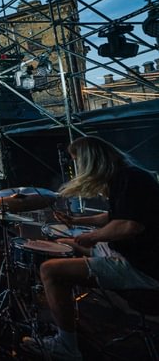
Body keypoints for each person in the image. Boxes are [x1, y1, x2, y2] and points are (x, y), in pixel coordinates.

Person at [21, 136, 159, 360]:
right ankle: (68, 312)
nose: (76, 167)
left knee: (49, 270)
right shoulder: (126, 176)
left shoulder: (131, 179)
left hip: (141, 267)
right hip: (128, 254)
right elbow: (113, 216)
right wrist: (76, 221)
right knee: (64, 243)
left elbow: (128, 225)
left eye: (77, 161)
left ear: (89, 159)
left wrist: (92, 237)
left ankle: (66, 346)